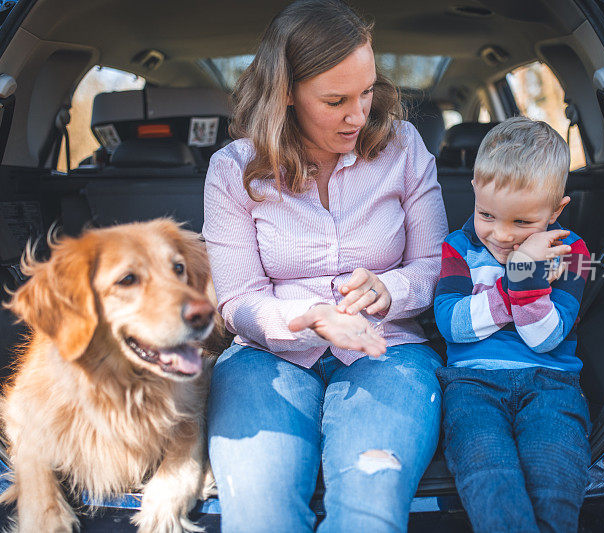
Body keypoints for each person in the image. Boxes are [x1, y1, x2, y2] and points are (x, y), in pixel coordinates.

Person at [202, 1, 448, 531]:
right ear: (285, 96)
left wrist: (390, 289)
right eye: (335, 100)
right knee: (260, 518)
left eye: (367, 93)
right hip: (265, 361)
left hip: (390, 353)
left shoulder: (404, 148)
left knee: (370, 513)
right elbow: (237, 301)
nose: (358, 116)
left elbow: (434, 265)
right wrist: (308, 316)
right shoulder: (231, 170)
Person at [433, 116, 592, 533]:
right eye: (487, 214)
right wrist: (519, 279)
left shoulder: (571, 251)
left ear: (556, 210)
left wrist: (522, 279)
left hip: (551, 384)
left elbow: (546, 338)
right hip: (471, 386)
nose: (501, 235)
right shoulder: (458, 247)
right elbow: (452, 324)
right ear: (473, 190)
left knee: (555, 482)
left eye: (522, 223)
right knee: (490, 481)